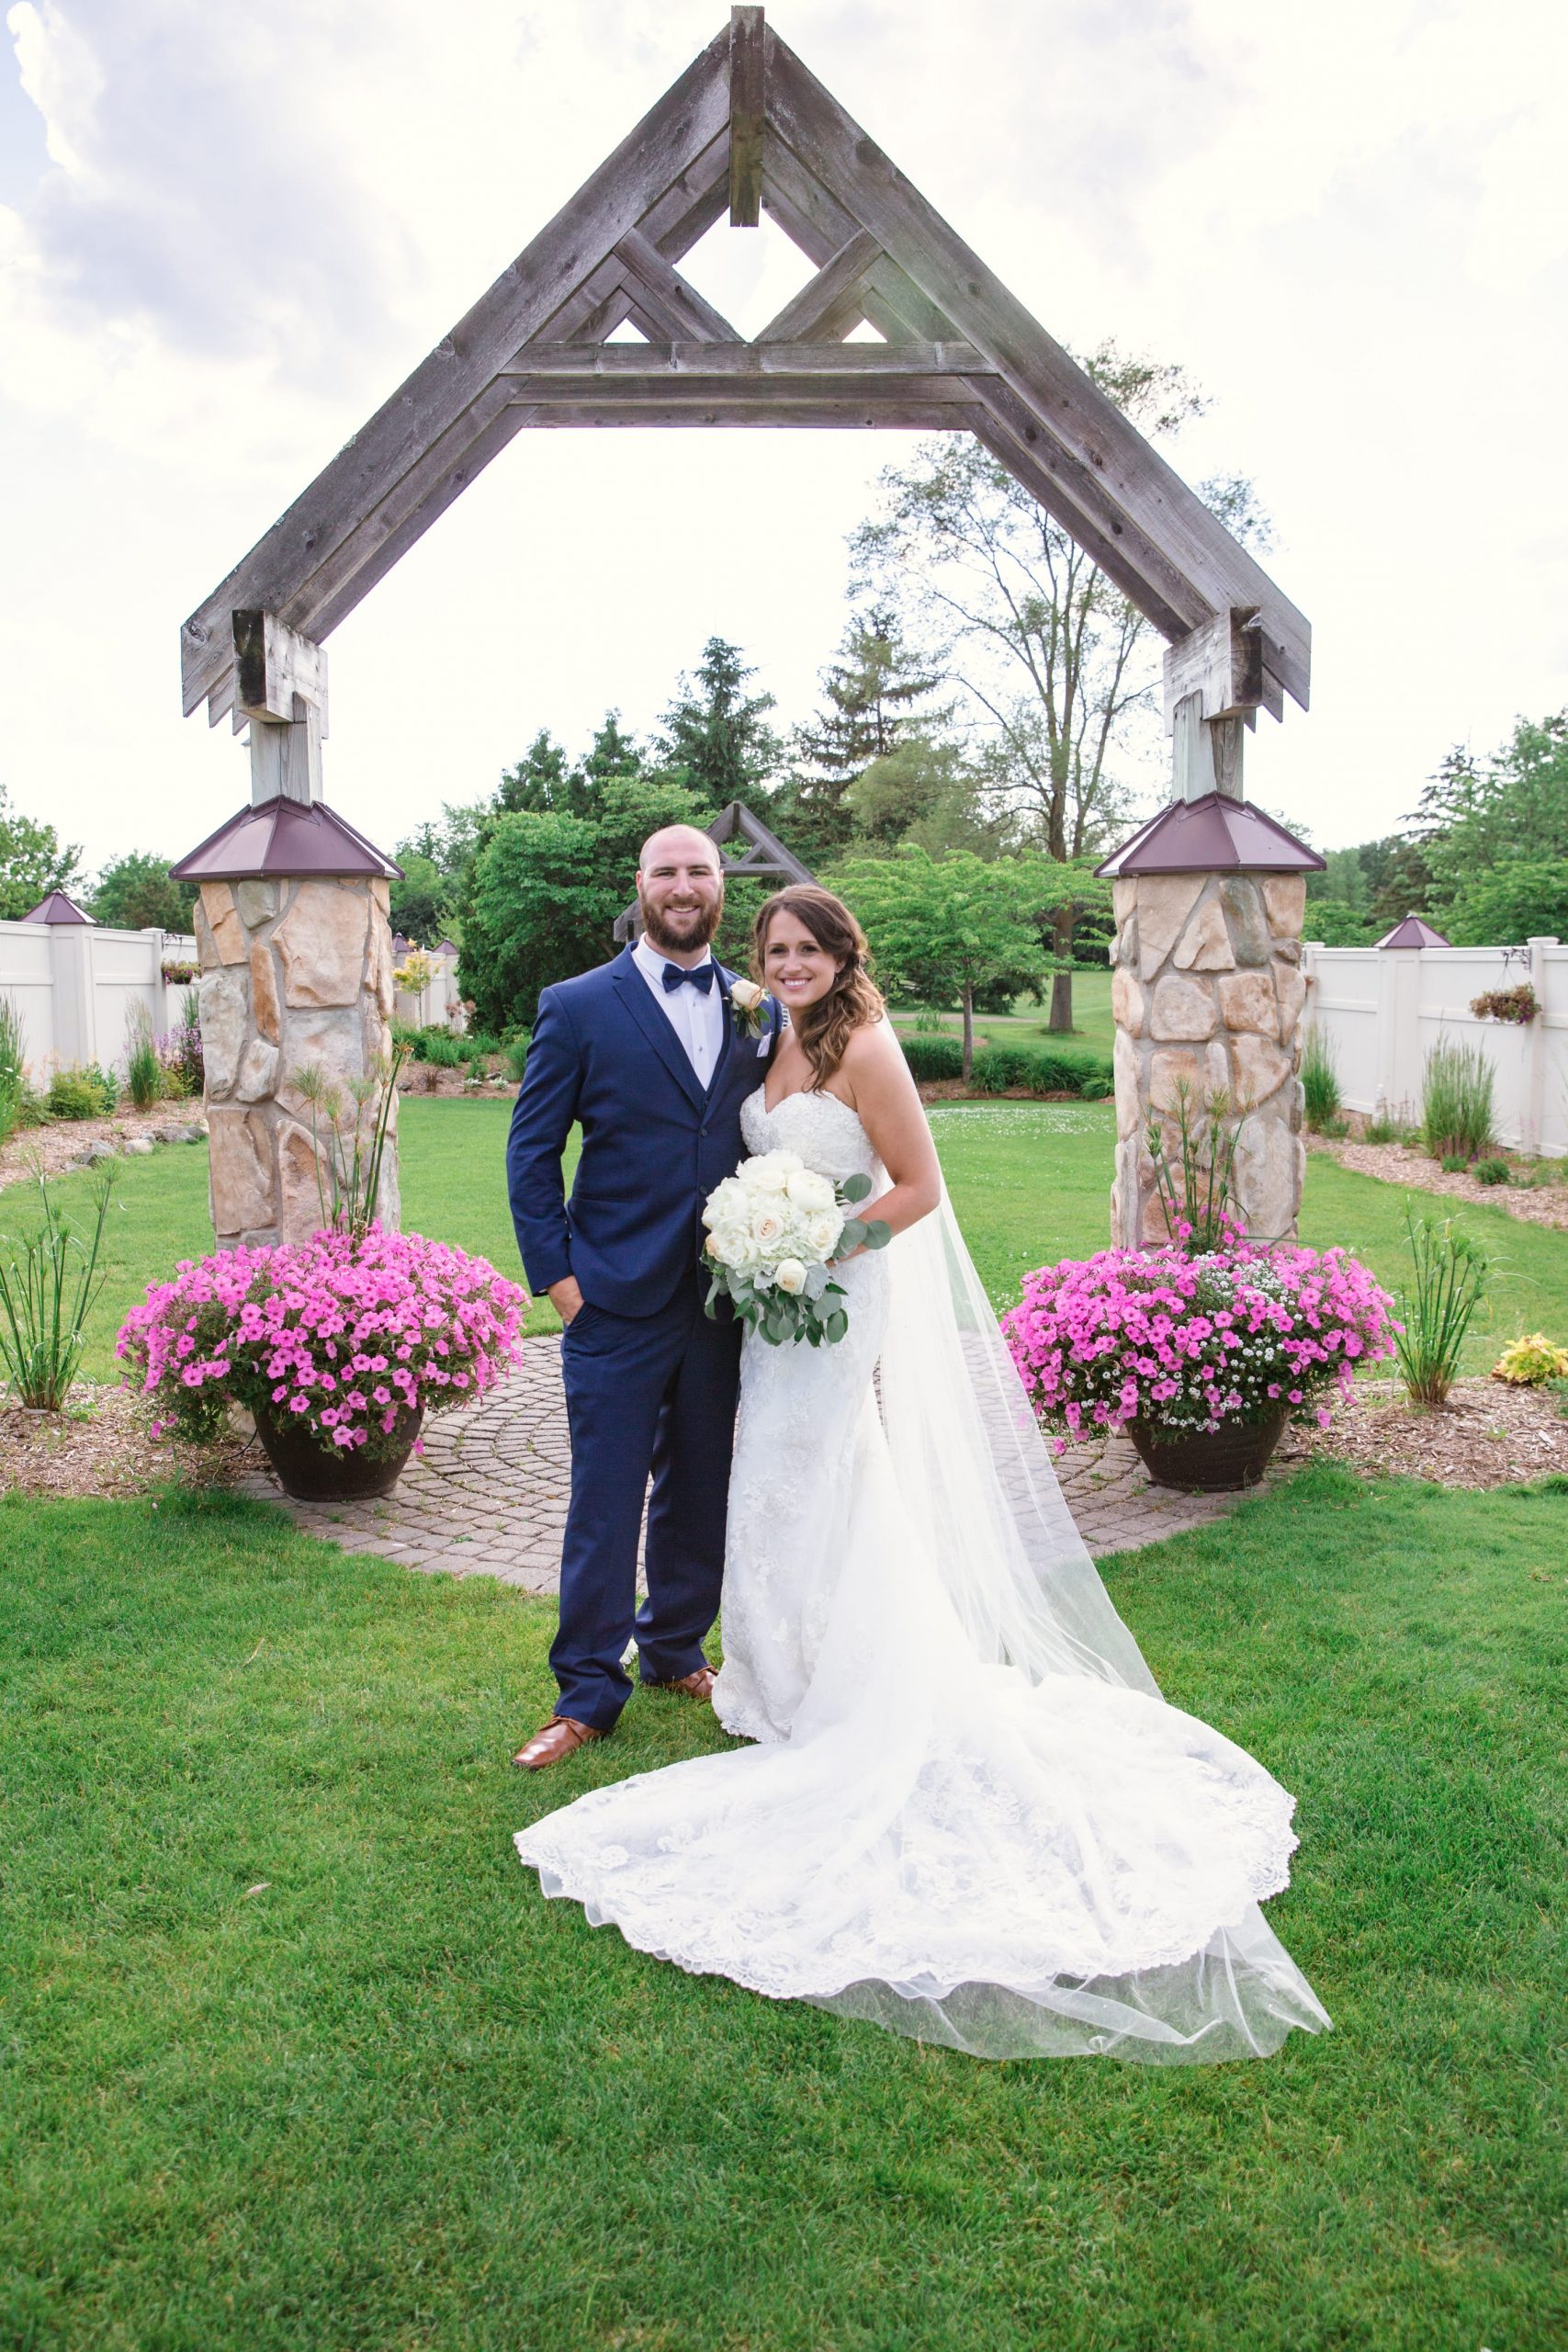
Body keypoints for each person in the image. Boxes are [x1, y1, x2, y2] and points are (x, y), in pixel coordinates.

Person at [514, 886, 1332, 2064]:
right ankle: (767, 1676)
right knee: (772, 1487)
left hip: (831, 1300)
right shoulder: (768, 1030)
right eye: (777, 950)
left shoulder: (869, 1041)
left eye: (810, 948)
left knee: (816, 1473)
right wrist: (758, 1246)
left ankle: (824, 1687)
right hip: (763, 1305)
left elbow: (916, 1188)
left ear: (846, 952)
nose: (791, 963)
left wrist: (813, 1244)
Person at [504, 824, 781, 1771]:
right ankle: (586, 1690)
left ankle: (673, 1648)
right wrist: (563, 1282)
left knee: (702, 1487)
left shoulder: (760, 1010)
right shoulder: (578, 1005)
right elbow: (532, 1153)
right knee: (606, 1498)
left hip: (719, 1298)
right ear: (642, 886)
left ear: (717, 888)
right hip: (611, 1299)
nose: (683, 884)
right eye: (666, 870)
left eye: (698, 870)